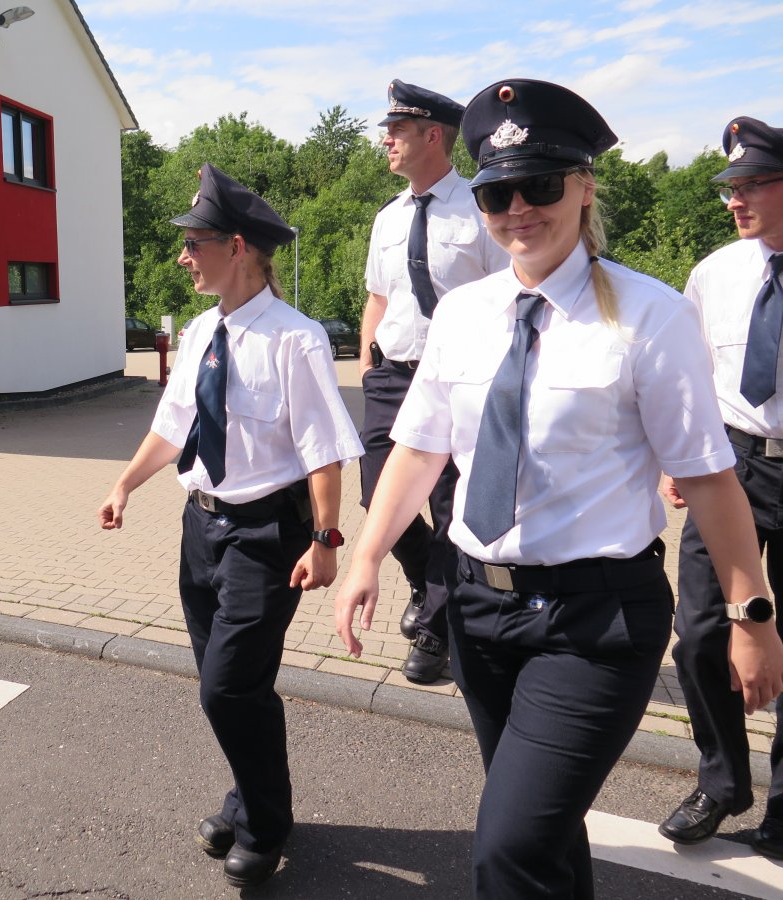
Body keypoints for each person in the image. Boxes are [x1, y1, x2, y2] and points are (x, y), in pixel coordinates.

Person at [333, 79, 783, 898]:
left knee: (508, 848)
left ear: (583, 188)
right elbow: (419, 448)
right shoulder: (463, 314)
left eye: (539, 185)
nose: (518, 209)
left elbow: (711, 481)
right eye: (496, 193)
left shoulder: (649, 316)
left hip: (593, 623)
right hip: (478, 610)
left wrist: (751, 617)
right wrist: (365, 557)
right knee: (546, 838)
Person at [98, 163, 362, 888]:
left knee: (227, 688)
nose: (183, 256)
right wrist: (125, 484)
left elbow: (324, 450)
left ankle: (265, 826)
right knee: (234, 685)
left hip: (266, 536)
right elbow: (174, 424)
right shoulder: (200, 333)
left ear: (237, 247)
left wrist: (327, 541)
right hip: (202, 530)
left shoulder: (296, 339)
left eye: (194, 243)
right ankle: (248, 799)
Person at [658, 116, 783, 859]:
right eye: (730, 187)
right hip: (731, 465)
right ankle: (722, 780)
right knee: (701, 630)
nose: (735, 200)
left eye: (752, 184)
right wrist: (677, 460)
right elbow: (691, 375)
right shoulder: (715, 273)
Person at [359, 79, 508, 683]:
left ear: (433, 136)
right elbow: (378, 297)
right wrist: (368, 367)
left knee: (450, 508)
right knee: (376, 493)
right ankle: (428, 580)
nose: (386, 140)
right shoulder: (388, 217)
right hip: (392, 378)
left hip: (458, 380)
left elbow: (509, 294)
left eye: (397, 130)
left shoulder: (482, 207)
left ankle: (437, 629)